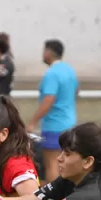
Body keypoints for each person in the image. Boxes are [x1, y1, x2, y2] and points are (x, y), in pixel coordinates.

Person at [31, 39, 78, 183]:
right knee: (66, 165)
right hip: (70, 123)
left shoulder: (52, 74)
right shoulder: (69, 70)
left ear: (49, 52)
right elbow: (76, 90)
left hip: (54, 124)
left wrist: (33, 122)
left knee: (52, 165)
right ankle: (65, 199)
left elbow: (49, 99)